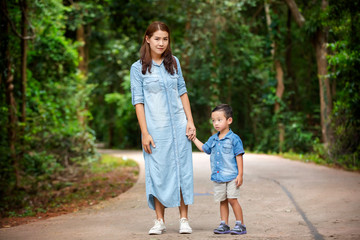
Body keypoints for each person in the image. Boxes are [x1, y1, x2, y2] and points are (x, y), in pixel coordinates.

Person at [130, 21, 196, 235]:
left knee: (181, 171)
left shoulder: (174, 62)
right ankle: (159, 221)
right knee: (157, 173)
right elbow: (138, 101)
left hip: (179, 126)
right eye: (157, 39)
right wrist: (145, 133)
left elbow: (182, 91)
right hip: (155, 130)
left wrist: (190, 121)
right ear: (147, 39)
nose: (161, 43)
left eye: (165, 39)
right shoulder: (137, 68)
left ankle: (184, 219)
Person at [192, 104, 247, 235]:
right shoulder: (213, 139)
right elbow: (204, 149)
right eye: (213, 120)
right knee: (222, 200)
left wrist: (240, 174)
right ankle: (224, 224)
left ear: (229, 120)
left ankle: (240, 224)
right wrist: (194, 138)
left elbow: (239, 156)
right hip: (218, 176)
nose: (216, 123)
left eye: (219, 120)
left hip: (232, 175)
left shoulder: (234, 139)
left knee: (232, 199)